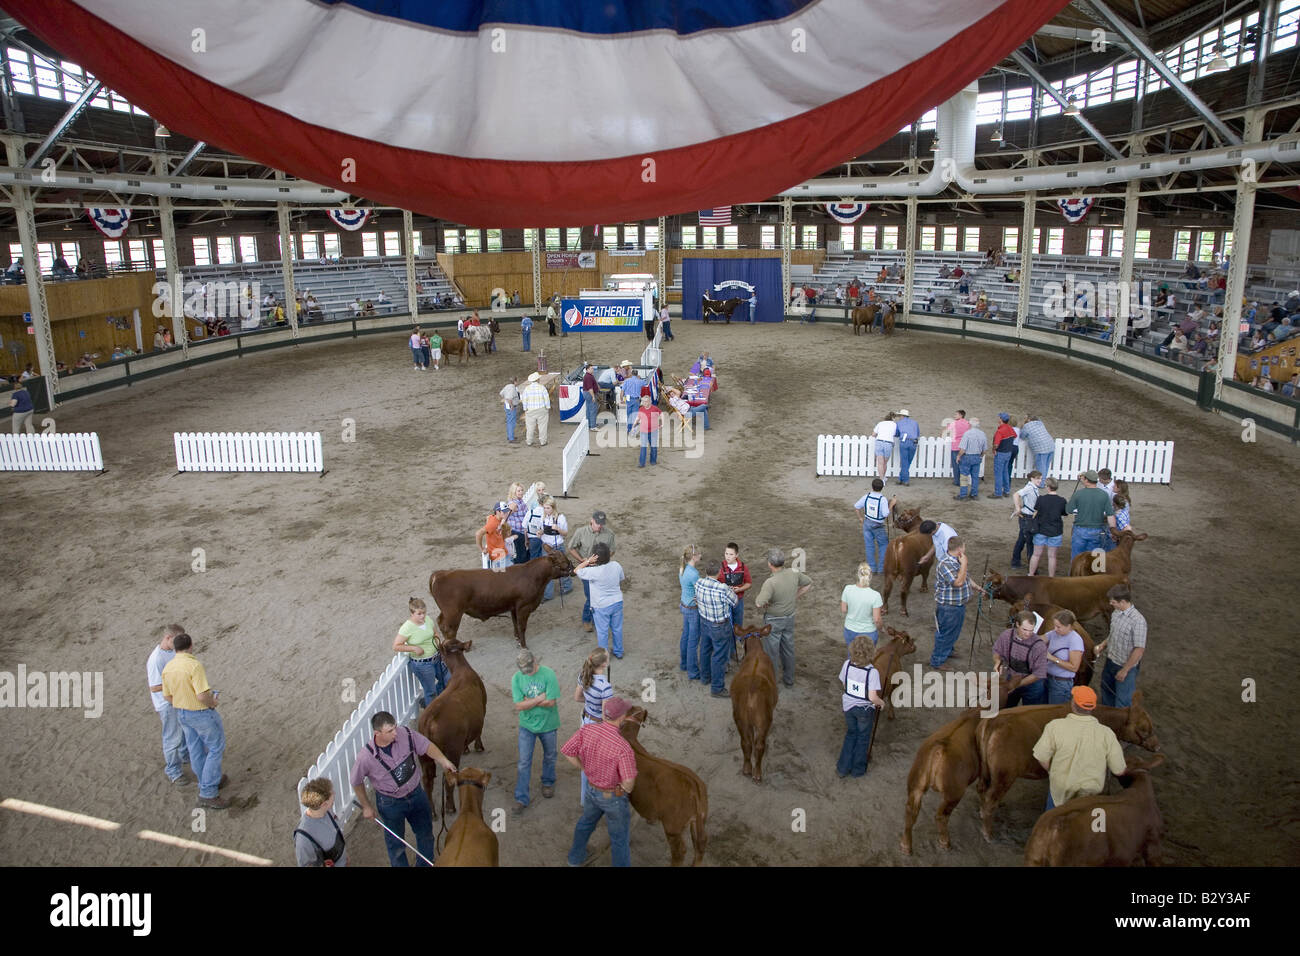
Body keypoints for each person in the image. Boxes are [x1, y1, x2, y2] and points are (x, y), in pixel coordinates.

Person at [351, 711, 456, 866]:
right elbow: (356, 781)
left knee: (425, 834)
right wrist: (366, 806)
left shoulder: (406, 734)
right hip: (390, 803)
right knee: (396, 844)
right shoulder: (365, 757)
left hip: (416, 794)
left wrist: (443, 760)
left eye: (395, 727)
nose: (395, 733)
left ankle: (425, 864)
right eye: (389, 731)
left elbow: (426, 745)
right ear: (377, 733)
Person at [562, 696, 638, 867]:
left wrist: (584, 769)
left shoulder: (586, 730)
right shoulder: (623, 747)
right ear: (621, 718)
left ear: (605, 715)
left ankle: (575, 858)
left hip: (591, 789)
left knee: (586, 823)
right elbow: (629, 782)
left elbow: (567, 751)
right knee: (619, 838)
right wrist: (618, 791)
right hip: (612, 796)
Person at [160, 633, 230, 809]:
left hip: (182, 713)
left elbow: (167, 696)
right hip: (201, 713)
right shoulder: (194, 666)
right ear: (190, 646)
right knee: (215, 748)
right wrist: (212, 702)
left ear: (175, 648)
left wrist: (182, 703)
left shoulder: (168, 668)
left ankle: (207, 780)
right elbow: (201, 695)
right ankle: (207, 791)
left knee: (195, 749)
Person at [1032, 686, 1126, 809]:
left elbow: (1042, 757)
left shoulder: (1054, 726)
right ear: (1093, 707)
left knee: (1051, 820)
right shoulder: (1107, 733)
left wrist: (1052, 770)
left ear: (1073, 704)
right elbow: (1119, 770)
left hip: (1060, 788)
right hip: (1091, 793)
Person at [753, 548, 813, 688]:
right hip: (789, 617)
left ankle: (771, 680)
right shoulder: (794, 572)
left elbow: (758, 602)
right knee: (788, 648)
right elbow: (808, 583)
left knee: (771, 651)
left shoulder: (770, 582)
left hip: (774, 620)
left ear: (769, 564)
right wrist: (795, 596)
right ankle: (789, 679)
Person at [512, 649, 561, 814]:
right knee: (524, 762)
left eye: (529, 669)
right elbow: (518, 706)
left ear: (534, 660)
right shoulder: (517, 677)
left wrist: (529, 702)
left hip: (548, 725)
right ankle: (521, 797)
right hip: (527, 726)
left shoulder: (549, 674)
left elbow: (551, 702)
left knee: (550, 755)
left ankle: (548, 782)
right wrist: (540, 698)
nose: (527, 673)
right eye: (524, 671)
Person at [146, 623, 191, 785]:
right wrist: (177, 683)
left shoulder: (172, 650)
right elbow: (154, 686)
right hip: (167, 705)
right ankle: (173, 771)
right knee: (172, 737)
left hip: (178, 698)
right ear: (168, 638)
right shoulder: (156, 659)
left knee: (185, 730)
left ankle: (185, 756)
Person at [836, 634, 885, 778]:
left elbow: (844, 683)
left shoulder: (847, 664)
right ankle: (858, 770)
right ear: (871, 652)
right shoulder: (872, 672)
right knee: (863, 737)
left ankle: (842, 768)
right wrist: (881, 703)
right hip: (864, 710)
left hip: (848, 707)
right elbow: (872, 697)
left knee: (851, 734)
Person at [572, 648, 614, 805]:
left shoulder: (583, 675)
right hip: (597, 725)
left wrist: (591, 702)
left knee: (585, 762)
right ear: (604, 663)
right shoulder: (605, 686)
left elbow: (577, 697)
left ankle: (584, 800)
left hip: (585, 721)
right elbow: (605, 715)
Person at [1095, 585, 1147, 708]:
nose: (1110, 604)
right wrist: (1103, 644)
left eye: (1113, 602)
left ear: (1123, 602)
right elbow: (1113, 634)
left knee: (1123, 700)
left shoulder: (1138, 621)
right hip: (1110, 660)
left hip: (1124, 665)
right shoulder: (1116, 613)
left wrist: (1125, 670)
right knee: (1106, 690)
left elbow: (1139, 649)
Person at [574, 543, 627, 659]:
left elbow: (576, 570)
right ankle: (619, 651)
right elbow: (621, 578)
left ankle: (605, 656)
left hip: (601, 606)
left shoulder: (593, 572)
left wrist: (588, 561)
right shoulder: (616, 565)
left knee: (602, 632)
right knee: (617, 628)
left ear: (595, 557)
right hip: (617, 601)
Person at [696, 559, 739, 697]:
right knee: (719, 656)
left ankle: (705, 677)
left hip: (704, 620)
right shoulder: (722, 588)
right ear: (719, 572)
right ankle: (717, 688)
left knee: (705, 649)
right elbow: (734, 602)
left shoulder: (699, 583)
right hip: (719, 625)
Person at [567, 511, 615, 634]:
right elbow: (571, 547)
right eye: (597, 523)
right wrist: (581, 560)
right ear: (591, 521)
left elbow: (612, 550)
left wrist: (604, 559)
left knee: (601, 594)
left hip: (602, 568)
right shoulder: (581, 532)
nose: (600, 526)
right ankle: (587, 619)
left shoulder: (609, 534)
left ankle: (596, 617)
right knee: (591, 596)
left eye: (602, 524)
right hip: (587, 568)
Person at [394, 597, 447, 707]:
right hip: (423, 664)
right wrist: (414, 648)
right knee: (430, 691)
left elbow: (435, 633)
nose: (422, 616)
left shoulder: (428, 620)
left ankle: (435, 703)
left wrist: (438, 644)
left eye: (424, 612)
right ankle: (432, 713)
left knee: (447, 680)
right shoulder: (406, 628)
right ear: (412, 613)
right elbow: (396, 646)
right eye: (419, 614)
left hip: (437, 657)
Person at [930, 536, 971, 669]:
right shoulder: (945, 564)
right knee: (946, 633)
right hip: (949, 607)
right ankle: (937, 661)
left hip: (957, 604)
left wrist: (975, 586)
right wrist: (964, 564)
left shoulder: (957, 560)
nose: (965, 549)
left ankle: (948, 650)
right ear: (959, 549)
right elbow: (958, 582)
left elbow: (964, 576)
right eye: (964, 547)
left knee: (953, 631)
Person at [992, 610, 1048, 707]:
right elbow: (997, 651)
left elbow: (1038, 674)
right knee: (1006, 709)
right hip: (1012, 677)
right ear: (1017, 624)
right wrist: (997, 661)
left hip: (1032, 685)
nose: (1028, 634)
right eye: (1024, 630)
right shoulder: (1007, 635)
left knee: (1029, 713)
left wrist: (1016, 684)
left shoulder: (1039, 646)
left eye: (1031, 630)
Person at [295, 778, 348, 867]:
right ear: (324, 804)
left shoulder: (327, 811)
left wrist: (344, 856)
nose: (334, 794)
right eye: (332, 793)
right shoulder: (303, 838)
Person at [1066, 470, 1116, 562]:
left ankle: (1074, 576)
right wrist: (1113, 530)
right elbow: (1110, 515)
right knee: (1095, 560)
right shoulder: (1104, 495)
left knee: (1076, 559)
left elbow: (1068, 510)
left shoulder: (1078, 494)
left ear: (1085, 480)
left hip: (1080, 529)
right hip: (1097, 530)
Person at [534, 496, 573, 601]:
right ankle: (548, 594)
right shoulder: (543, 517)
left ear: (553, 507)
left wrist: (558, 529)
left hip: (558, 546)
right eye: (545, 508)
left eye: (548, 508)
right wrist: (540, 532)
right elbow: (542, 530)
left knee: (563, 567)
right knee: (546, 571)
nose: (546, 510)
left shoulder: (560, 518)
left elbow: (565, 533)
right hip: (546, 547)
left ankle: (567, 586)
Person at [854, 478, 895, 574]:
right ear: (882, 488)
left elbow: (856, 507)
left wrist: (860, 518)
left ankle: (872, 567)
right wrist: (891, 505)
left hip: (867, 523)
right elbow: (885, 514)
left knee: (869, 546)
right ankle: (881, 568)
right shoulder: (883, 499)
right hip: (878, 525)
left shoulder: (866, 496)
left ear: (872, 487)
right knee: (883, 545)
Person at [1044, 609, 1085, 705]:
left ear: (1069, 626)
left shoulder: (1075, 640)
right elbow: (1040, 639)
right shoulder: (1054, 633)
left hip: (1060, 683)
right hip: (1047, 678)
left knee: (1055, 712)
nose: (1055, 629)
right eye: (1054, 626)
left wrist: (1052, 658)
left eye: (1059, 627)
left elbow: (1074, 667)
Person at [1028, 477, 1067, 576]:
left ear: (1047, 487)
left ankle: (1031, 574)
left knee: (1036, 554)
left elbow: (1036, 511)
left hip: (1041, 529)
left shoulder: (1041, 499)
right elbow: (1064, 513)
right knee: (1052, 556)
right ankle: (1051, 577)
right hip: (1055, 530)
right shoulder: (1062, 500)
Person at [840, 563, 883, 647]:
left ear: (858, 575)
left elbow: (844, 609)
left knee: (852, 655)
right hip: (868, 633)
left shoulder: (847, 589)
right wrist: (881, 628)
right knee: (868, 657)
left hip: (849, 630)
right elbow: (877, 619)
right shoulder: (875, 595)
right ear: (870, 577)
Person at [678, 545, 703, 680]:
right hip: (693, 609)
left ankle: (684, 664)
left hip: (684, 605)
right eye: (698, 554)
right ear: (694, 557)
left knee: (686, 636)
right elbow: (700, 589)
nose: (700, 556)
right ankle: (693, 671)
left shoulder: (683, 569)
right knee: (693, 641)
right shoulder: (693, 574)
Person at [1010, 470, 1043, 569]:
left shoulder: (1033, 487)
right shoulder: (1029, 488)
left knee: (1022, 539)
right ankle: (1029, 565)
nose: (1040, 481)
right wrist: (1018, 508)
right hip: (1027, 517)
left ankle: (1016, 562)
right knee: (1029, 541)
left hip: (1028, 516)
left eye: (1040, 478)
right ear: (1032, 478)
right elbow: (1016, 495)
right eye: (1038, 478)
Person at [718, 543, 752, 635]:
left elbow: (748, 583)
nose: (728, 557)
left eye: (731, 554)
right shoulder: (720, 567)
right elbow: (715, 583)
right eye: (726, 553)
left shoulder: (743, 567)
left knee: (738, 623)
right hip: (725, 601)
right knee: (726, 623)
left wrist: (739, 589)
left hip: (738, 600)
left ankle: (737, 639)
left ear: (737, 555)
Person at [955, 417, 988, 500]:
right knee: (975, 476)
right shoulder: (982, 434)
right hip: (977, 456)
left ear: (970, 424)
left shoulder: (967, 434)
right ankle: (974, 494)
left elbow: (963, 449)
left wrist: (958, 456)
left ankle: (963, 495)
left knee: (964, 476)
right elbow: (984, 450)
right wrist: (980, 456)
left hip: (967, 457)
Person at [477, 501, 513, 571]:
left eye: (506, 511)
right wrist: (481, 549)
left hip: (502, 553)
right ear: (498, 512)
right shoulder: (493, 524)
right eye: (504, 512)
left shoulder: (496, 518)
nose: (506, 513)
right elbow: (478, 533)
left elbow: (488, 517)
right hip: (498, 557)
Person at [521, 371, 551, 446]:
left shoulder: (527, 389)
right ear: (537, 380)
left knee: (530, 427)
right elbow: (546, 399)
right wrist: (547, 407)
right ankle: (543, 441)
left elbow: (524, 400)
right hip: (541, 409)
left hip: (530, 410)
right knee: (542, 427)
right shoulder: (542, 388)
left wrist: (525, 409)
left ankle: (529, 441)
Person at [991, 412, 1017, 499]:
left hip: (1001, 453)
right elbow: (1015, 435)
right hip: (1008, 452)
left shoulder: (1000, 431)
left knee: (998, 473)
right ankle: (1006, 490)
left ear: (1001, 420)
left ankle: (998, 492)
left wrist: (994, 450)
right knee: (1005, 471)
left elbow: (996, 444)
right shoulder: (1010, 428)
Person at [944, 410, 970, 487]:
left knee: (956, 464)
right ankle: (963, 481)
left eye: (956, 414)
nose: (954, 415)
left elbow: (946, 431)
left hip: (956, 445)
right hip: (964, 446)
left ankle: (957, 481)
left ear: (961, 415)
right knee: (963, 464)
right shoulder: (967, 423)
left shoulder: (953, 423)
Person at [505, 482, 529, 565]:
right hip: (517, 531)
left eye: (522, 490)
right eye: (518, 491)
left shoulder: (520, 501)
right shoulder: (513, 504)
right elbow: (505, 516)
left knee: (522, 551)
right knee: (521, 554)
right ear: (514, 492)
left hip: (522, 530)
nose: (521, 492)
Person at [894, 409, 919, 485]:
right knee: (908, 461)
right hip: (913, 442)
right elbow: (917, 433)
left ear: (902, 416)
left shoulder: (899, 423)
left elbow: (897, 433)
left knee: (905, 461)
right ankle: (901, 478)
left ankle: (905, 480)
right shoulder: (915, 423)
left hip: (904, 442)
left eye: (899, 416)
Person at [636, 394, 661, 467]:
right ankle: (641, 463)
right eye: (643, 402)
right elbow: (638, 418)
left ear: (650, 401)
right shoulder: (641, 409)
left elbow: (661, 414)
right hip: (644, 431)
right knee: (643, 447)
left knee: (653, 446)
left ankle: (653, 461)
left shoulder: (654, 408)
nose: (645, 403)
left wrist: (660, 422)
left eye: (646, 401)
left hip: (653, 431)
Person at [619, 364, 644, 435]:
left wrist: (621, 399)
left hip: (629, 399)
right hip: (636, 400)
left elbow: (622, 391)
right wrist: (640, 379)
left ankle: (629, 429)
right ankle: (633, 430)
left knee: (629, 414)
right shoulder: (640, 381)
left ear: (632, 374)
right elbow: (645, 383)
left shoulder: (627, 381)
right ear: (637, 374)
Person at [871, 412, 896, 481]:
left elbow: (873, 434)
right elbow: (895, 434)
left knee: (880, 463)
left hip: (879, 442)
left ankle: (881, 479)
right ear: (893, 418)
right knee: (885, 463)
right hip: (888, 443)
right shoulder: (894, 424)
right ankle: (883, 478)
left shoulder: (880, 423)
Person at [500, 376, 522, 444]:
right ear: (515, 382)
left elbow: (501, 393)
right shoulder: (512, 389)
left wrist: (506, 398)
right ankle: (511, 438)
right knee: (511, 422)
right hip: (511, 406)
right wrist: (511, 405)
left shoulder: (507, 386)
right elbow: (509, 398)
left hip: (506, 405)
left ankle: (510, 436)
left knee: (510, 421)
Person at [581, 362, 601, 431]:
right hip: (589, 393)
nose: (592, 370)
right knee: (593, 409)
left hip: (586, 393)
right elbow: (590, 388)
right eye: (591, 368)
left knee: (589, 409)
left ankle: (589, 424)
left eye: (593, 368)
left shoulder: (589, 375)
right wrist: (593, 396)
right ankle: (593, 426)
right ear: (587, 369)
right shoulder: (588, 377)